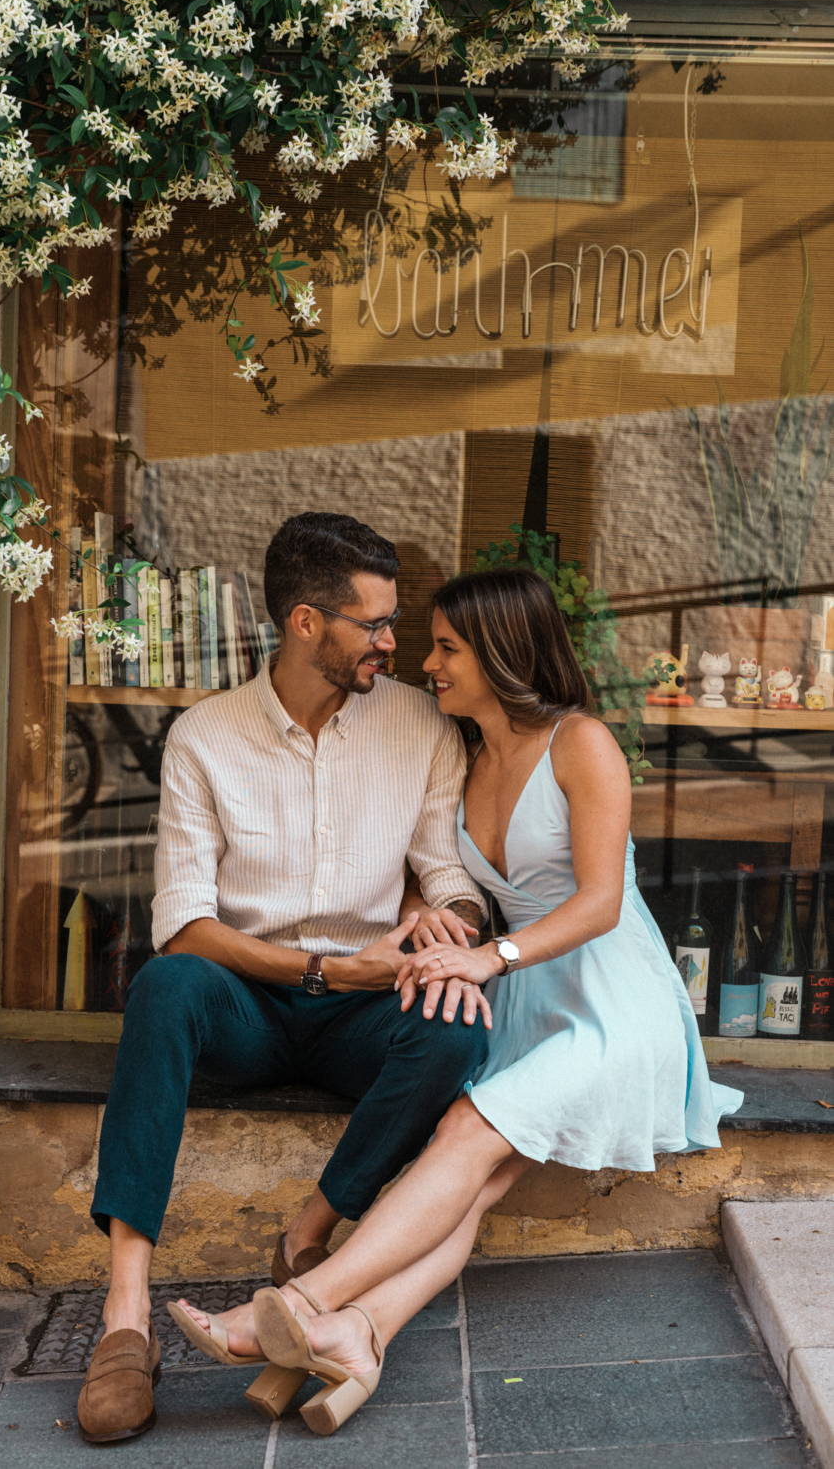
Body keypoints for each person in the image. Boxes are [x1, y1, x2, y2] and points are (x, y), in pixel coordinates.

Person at [169, 565, 744, 1436]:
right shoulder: (469, 757)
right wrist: (429, 920)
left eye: (446, 648)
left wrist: (490, 958)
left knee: (466, 1135)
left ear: (503, 654)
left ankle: (289, 1305)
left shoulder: (582, 744)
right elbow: (441, 884)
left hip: (613, 999)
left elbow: (599, 904)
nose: (425, 663)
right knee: (469, 1180)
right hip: (524, 997)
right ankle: (360, 1336)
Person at [77, 512, 490, 1443]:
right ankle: (126, 1316)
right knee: (163, 987)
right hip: (248, 1007)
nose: (397, 645)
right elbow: (185, 925)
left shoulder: (421, 728)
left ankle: (307, 1241)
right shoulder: (204, 738)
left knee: (458, 1025)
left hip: (361, 1015)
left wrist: (448, 930)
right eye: (375, 624)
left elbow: (452, 878)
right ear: (307, 623)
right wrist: (334, 968)